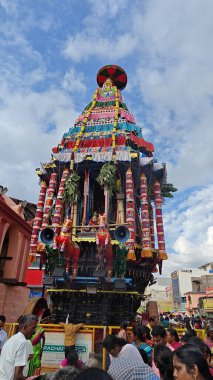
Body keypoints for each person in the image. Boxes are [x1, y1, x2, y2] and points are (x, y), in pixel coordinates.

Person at [0, 314, 37, 380]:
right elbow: (17, 376)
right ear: (25, 327)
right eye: (33, 328)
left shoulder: (11, 339)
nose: (35, 331)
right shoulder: (22, 342)